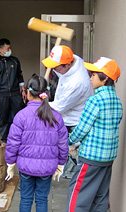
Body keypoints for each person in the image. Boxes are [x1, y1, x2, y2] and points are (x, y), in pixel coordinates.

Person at [66, 57, 123, 212]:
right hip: (108, 158)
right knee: (100, 198)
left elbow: (81, 130)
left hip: (90, 158)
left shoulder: (94, 101)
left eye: (93, 75)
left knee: (78, 196)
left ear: (104, 79)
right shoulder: (117, 101)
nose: (90, 78)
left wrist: (68, 140)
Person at [5, 74, 69, 212]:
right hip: (47, 167)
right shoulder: (56, 116)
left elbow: (12, 143)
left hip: (26, 166)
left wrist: (10, 163)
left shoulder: (21, 116)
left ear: (28, 92)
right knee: (42, 200)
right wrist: (61, 163)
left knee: (26, 199)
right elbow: (63, 143)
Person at [41, 45, 94, 179]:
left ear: (68, 65)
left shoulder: (78, 82)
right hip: (66, 113)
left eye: (56, 66)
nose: (53, 69)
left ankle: (72, 178)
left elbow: (59, 107)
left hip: (73, 122)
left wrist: (40, 102)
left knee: (71, 156)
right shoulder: (75, 60)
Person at [0, 38, 26, 142]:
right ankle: (4, 138)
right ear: (1, 50)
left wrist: (23, 90)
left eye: (10, 48)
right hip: (2, 94)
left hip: (15, 93)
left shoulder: (15, 61)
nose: (10, 50)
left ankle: (19, 137)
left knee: (18, 116)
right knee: (3, 117)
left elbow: (19, 76)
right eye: (8, 48)